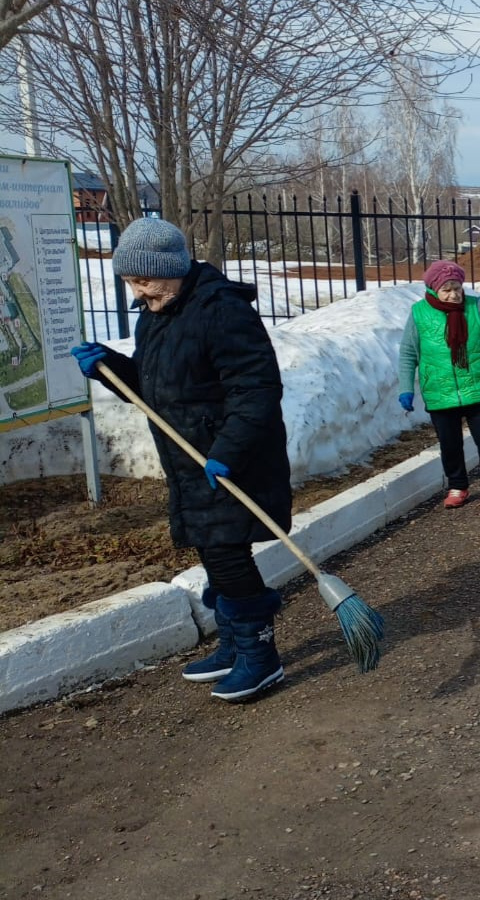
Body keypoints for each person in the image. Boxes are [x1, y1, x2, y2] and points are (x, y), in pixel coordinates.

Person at [70, 217, 293, 702]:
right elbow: (155, 391)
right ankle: (234, 644)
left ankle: (261, 655)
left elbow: (256, 390)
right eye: (130, 281)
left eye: (143, 280)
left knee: (227, 554)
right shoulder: (156, 313)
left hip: (232, 458)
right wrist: (109, 365)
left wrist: (227, 454)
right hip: (188, 458)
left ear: (172, 269)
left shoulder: (221, 310)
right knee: (212, 550)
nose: (137, 292)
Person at [397, 260, 480, 510]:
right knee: (450, 444)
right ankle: (458, 485)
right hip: (439, 390)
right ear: (434, 289)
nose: (454, 294)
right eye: (447, 289)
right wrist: (406, 389)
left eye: (457, 287)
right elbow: (408, 353)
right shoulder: (419, 313)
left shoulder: (477, 307)